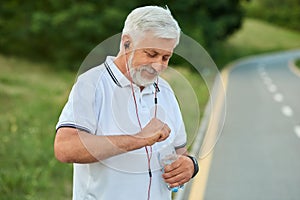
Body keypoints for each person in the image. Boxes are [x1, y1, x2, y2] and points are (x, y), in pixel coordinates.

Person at [54, 5, 199, 200]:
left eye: (166, 57)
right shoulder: (91, 85)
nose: (159, 65)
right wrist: (139, 139)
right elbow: (65, 147)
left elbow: (180, 150)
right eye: (151, 54)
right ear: (127, 43)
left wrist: (190, 165)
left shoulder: (165, 90)